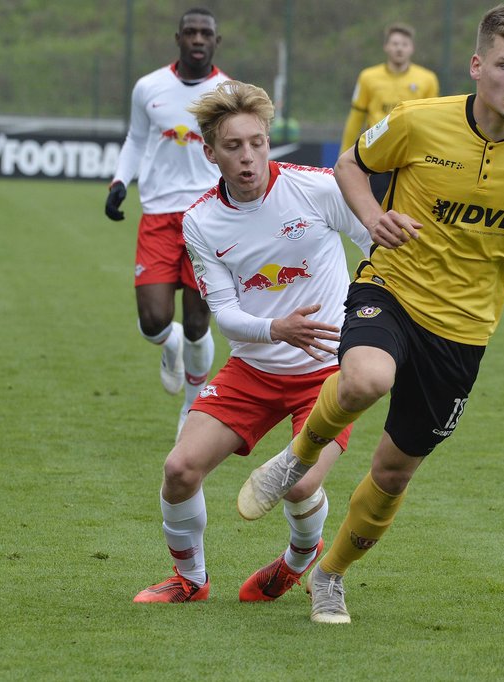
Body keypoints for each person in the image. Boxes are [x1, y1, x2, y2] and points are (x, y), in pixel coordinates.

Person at [234, 3, 504, 624]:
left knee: (393, 472)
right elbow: (350, 165)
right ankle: (299, 454)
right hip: (392, 290)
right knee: (366, 378)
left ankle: (330, 575)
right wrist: (374, 219)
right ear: (478, 66)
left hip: (466, 330)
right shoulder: (418, 121)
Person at [132, 80, 373, 603]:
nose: (248, 157)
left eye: (257, 142)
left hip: (328, 372)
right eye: (234, 146)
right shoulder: (200, 221)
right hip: (254, 368)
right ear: (210, 151)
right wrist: (277, 329)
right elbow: (225, 315)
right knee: (179, 470)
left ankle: (298, 560)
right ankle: (190, 581)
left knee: (302, 484)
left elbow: (375, 243)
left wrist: (369, 323)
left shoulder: (318, 188)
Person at [105, 8, 229, 436]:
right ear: (178, 38)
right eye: (190, 32)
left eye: (206, 33)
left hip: (209, 217)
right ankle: (168, 344)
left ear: (216, 41)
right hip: (158, 214)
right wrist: (121, 180)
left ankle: (193, 410)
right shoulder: (149, 87)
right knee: (155, 320)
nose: (198, 38)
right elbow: (136, 139)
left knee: (198, 323)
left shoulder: (228, 92)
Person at [339, 23, 440, 203]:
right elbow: (356, 117)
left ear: (412, 48)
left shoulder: (427, 79)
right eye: (394, 43)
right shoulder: (368, 77)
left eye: (404, 44)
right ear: (386, 46)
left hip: (410, 156)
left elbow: (433, 121)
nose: (399, 48)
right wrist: (343, 155)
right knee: (377, 214)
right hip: (378, 152)